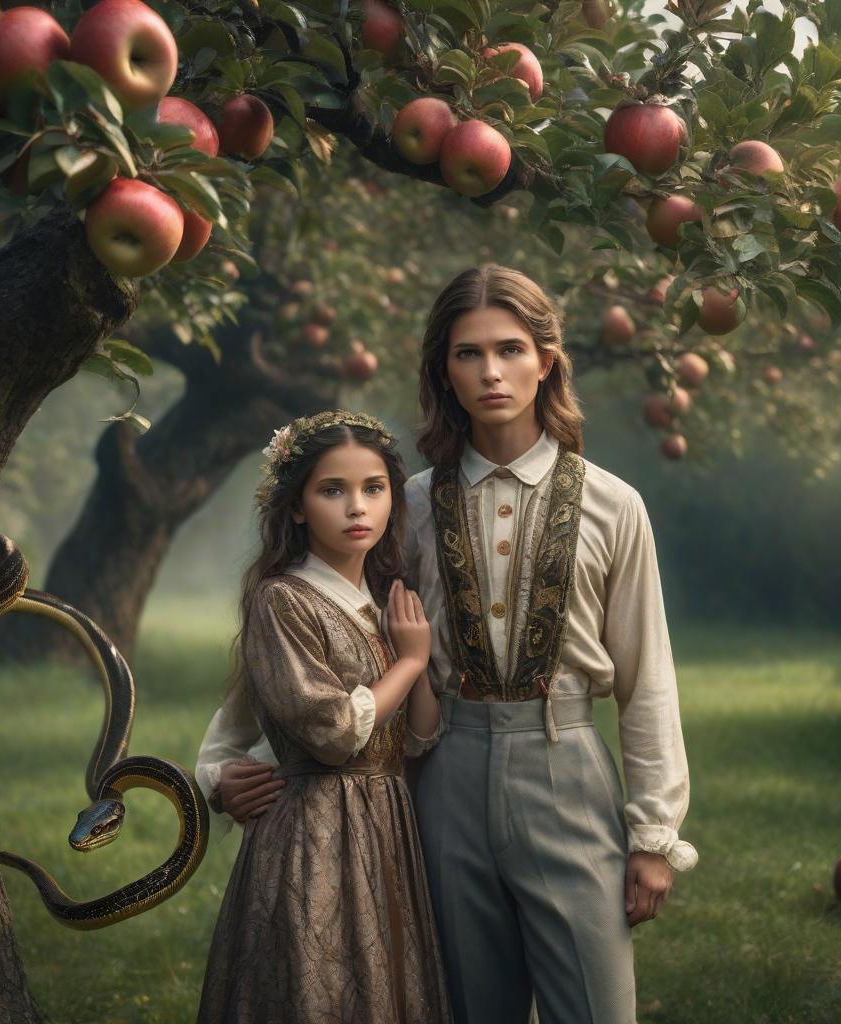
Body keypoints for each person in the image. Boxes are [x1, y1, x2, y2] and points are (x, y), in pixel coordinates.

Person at [198, 267, 697, 1024]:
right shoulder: (410, 506)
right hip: (441, 781)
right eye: (468, 354)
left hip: (566, 765)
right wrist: (219, 769)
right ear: (444, 371)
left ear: (546, 359)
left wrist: (655, 833)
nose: (491, 372)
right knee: (461, 1005)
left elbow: (648, 677)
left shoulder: (613, 503)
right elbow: (315, 639)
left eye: (510, 349)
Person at [195, 410, 452, 1024]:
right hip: (314, 833)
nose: (356, 507)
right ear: (298, 506)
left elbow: (416, 739)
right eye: (332, 490)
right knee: (320, 987)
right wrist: (410, 663)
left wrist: (412, 657)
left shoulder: (385, 598)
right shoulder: (282, 599)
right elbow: (335, 734)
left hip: (387, 826)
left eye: (373, 488)